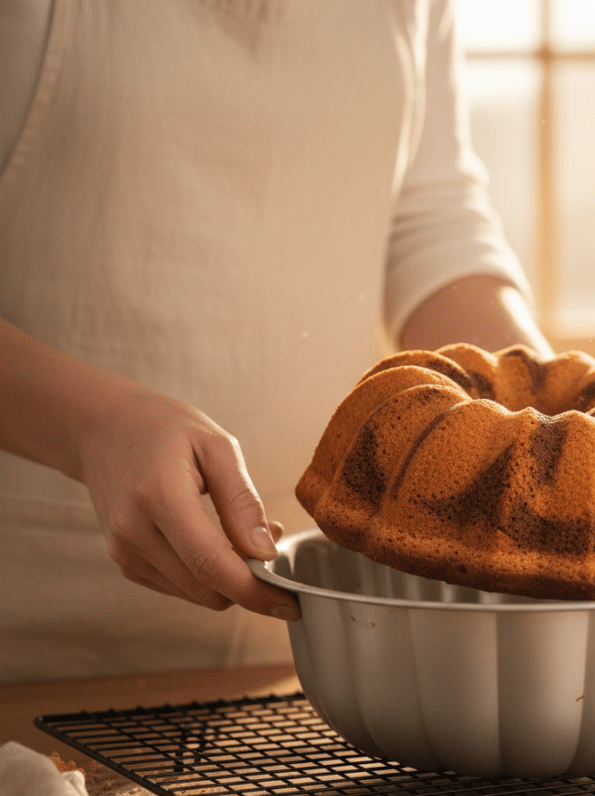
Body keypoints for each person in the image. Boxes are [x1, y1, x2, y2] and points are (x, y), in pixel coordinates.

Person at [0, 0, 553, 682]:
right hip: (30, 651)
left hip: (311, 635)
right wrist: (91, 425)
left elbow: (426, 218)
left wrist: (541, 412)